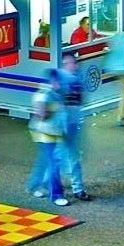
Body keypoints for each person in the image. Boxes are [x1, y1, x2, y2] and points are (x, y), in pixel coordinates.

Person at [26, 71, 69, 207]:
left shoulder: (56, 94)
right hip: (45, 134)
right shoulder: (44, 94)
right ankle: (56, 195)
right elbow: (41, 114)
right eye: (57, 82)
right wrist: (49, 109)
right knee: (54, 164)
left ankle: (33, 186)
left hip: (52, 133)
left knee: (44, 161)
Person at [58, 53, 92, 200]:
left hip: (70, 124)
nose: (73, 65)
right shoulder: (67, 80)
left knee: (63, 155)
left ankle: (52, 183)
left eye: (73, 63)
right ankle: (77, 189)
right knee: (71, 156)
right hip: (65, 124)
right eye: (69, 63)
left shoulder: (72, 80)